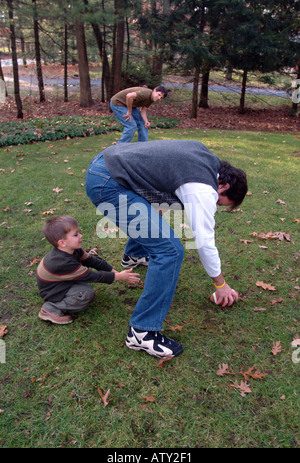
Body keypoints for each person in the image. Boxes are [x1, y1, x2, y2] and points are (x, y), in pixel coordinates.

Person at [85, 140, 248, 359]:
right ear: (224, 186)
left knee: (158, 231)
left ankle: (133, 255)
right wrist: (221, 284)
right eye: (220, 202)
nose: (215, 205)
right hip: (108, 181)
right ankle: (141, 332)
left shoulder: (207, 160)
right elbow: (203, 240)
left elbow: (158, 188)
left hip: (106, 162)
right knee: (170, 251)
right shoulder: (203, 187)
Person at [36, 215, 140, 325]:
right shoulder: (64, 263)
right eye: (76, 235)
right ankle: (51, 308)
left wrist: (113, 271)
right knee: (86, 293)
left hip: (60, 283)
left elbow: (92, 261)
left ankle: (59, 301)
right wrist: (118, 277)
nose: (81, 235)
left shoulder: (73, 250)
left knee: (84, 287)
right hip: (52, 291)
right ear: (62, 243)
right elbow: (93, 276)